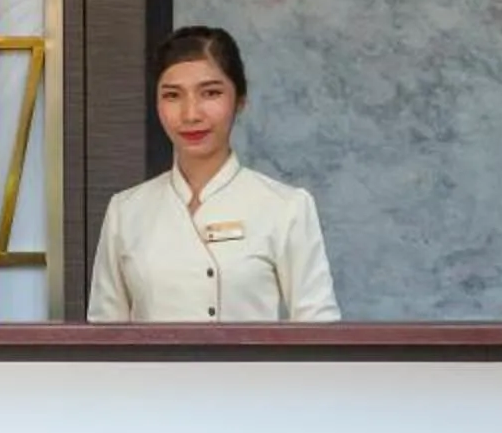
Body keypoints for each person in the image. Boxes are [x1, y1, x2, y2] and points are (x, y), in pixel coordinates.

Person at [87, 25, 340, 323]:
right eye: (172, 95)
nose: (191, 114)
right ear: (157, 104)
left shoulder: (286, 207)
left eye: (210, 93)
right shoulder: (126, 211)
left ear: (240, 100)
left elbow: (319, 331)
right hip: (154, 358)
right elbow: (104, 334)